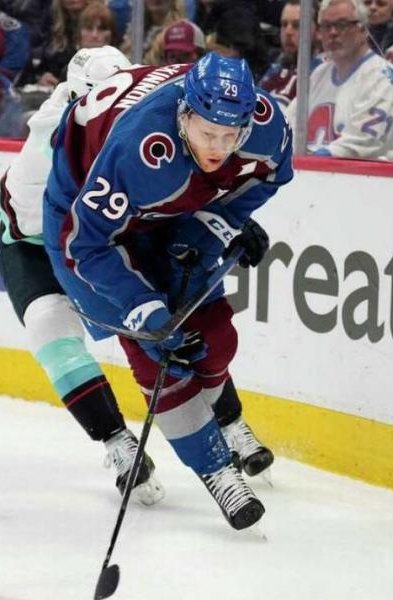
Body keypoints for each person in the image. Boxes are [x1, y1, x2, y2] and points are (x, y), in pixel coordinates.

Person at [42, 52, 292, 530]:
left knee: (214, 334)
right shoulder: (139, 147)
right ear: (183, 114)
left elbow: (273, 174)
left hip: (167, 211)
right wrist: (141, 306)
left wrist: (223, 220)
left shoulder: (264, 123)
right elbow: (86, 243)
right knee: (154, 348)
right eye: (207, 134)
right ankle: (218, 472)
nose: (220, 147)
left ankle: (228, 418)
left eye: (230, 135)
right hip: (86, 229)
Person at [0, 46, 169, 506]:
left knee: (170, 316)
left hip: (105, 236)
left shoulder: (145, 118)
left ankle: (229, 426)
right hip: (40, 246)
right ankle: (117, 443)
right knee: (50, 330)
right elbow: (31, 224)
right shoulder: (48, 138)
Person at [287, 0, 393, 159]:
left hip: (368, 180)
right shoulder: (318, 75)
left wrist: (309, 162)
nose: (333, 33)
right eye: (326, 26)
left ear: (363, 29)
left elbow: (361, 144)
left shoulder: (385, 80)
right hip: (313, 176)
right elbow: (288, 125)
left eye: (342, 25)